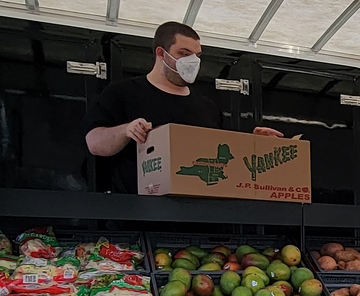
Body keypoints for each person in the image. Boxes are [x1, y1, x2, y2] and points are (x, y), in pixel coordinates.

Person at [84, 21, 282, 192]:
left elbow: (224, 157)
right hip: (141, 219)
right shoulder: (122, 92)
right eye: (184, 53)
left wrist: (254, 143)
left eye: (196, 56)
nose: (192, 62)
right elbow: (94, 143)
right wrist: (126, 131)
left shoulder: (207, 106)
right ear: (161, 53)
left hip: (197, 218)